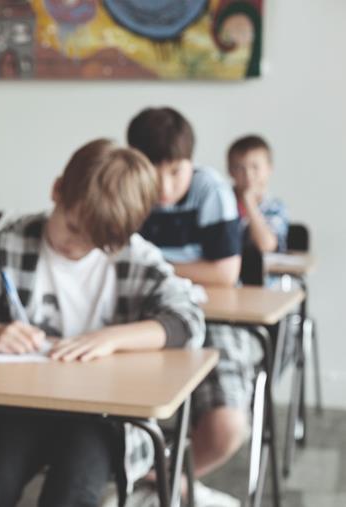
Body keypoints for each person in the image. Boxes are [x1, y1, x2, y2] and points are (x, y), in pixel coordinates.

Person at [0, 139, 204, 507]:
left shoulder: (134, 256)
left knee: (73, 493)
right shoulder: (11, 241)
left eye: (94, 240)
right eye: (73, 226)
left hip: (100, 416)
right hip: (19, 405)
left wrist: (114, 338)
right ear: (57, 191)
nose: (77, 245)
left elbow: (188, 320)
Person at [131, 107, 251, 506]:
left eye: (175, 172)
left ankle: (169, 477)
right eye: (154, 172)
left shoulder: (211, 190)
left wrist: (156, 264)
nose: (164, 187)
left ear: (191, 163)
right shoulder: (128, 190)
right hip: (142, 316)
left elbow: (225, 272)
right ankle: (146, 476)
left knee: (227, 424)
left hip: (211, 316)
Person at [227, 134, 288, 254]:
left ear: (269, 168)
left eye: (255, 167)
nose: (248, 175)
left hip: (263, 272)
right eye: (240, 168)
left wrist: (248, 202)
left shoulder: (275, 207)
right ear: (230, 171)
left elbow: (266, 246)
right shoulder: (222, 202)